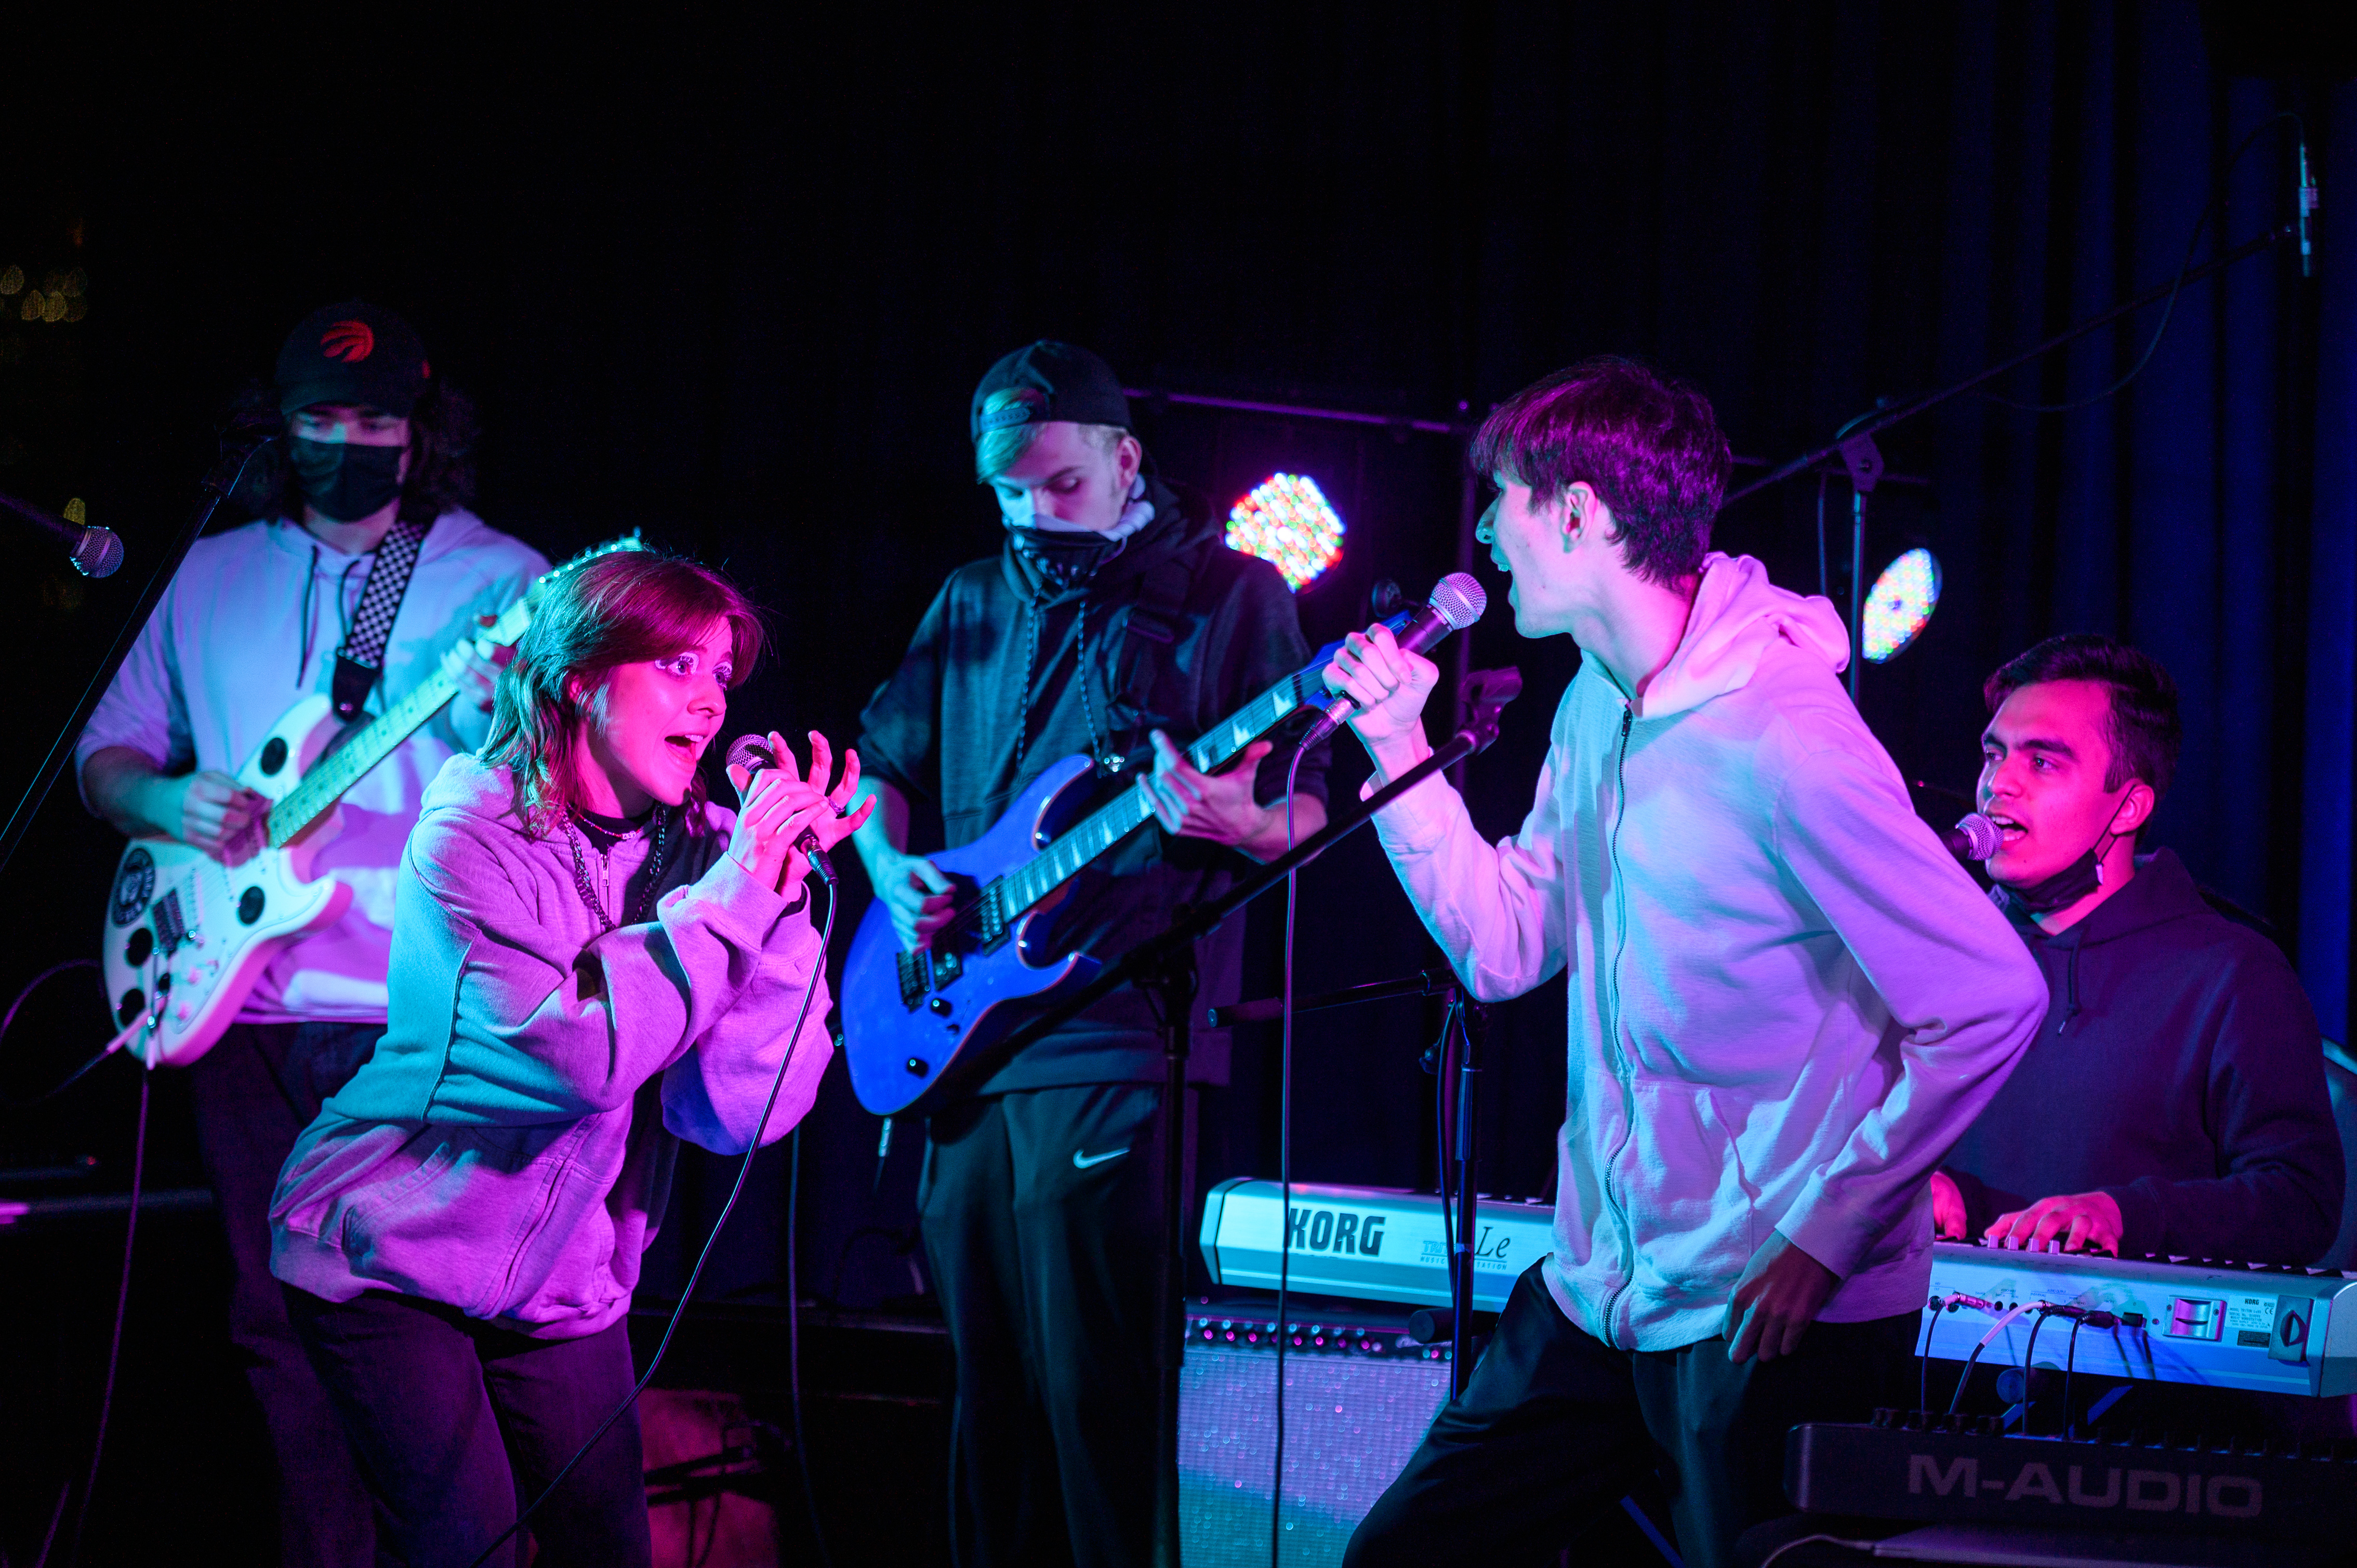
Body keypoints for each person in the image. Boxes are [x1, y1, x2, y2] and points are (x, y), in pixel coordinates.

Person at [1318, 357, 2047, 1568]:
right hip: (1604, 1289)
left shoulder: (1785, 730)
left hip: (1767, 1300)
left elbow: (1985, 998)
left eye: (1502, 498)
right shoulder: (1596, 705)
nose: (1489, 534)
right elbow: (1504, 950)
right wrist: (1399, 747)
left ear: (1581, 513)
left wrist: (1829, 1230)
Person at [268, 551, 866, 1565]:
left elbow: (735, 1114)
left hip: (561, 1280)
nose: (711, 702)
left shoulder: (710, 852)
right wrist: (735, 891)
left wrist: (779, 893)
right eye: (678, 666)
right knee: (467, 1547)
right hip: (389, 1252)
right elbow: (572, 1061)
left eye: (722, 675)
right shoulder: (471, 831)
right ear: (583, 679)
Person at [76, 300, 546, 1567]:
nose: (350, 442)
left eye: (379, 421)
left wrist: (505, 723)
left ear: (422, 432)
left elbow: (561, 787)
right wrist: (176, 799)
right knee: (274, 1327)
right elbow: (104, 762)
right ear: (276, 428)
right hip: (243, 1010)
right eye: (323, 420)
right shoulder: (210, 570)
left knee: (417, 1332)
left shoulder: (499, 582)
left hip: (414, 1011)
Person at [849, 340, 1330, 1566]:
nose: (1033, 516)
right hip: (962, 1039)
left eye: (1060, 487)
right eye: (1009, 493)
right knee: (987, 1401)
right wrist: (897, 876)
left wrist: (1237, 819)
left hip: (1121, 1027)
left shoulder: (1230, 596)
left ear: (1125, 461)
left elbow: (1308, 809)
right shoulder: (969, 597)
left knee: (1097, 1399)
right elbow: (883, 774)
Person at [1931, 635, 2342, 1265]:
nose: (1999, 785)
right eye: (1995, 755)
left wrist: (2128, 1215)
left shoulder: (2230, 974)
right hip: (1925, 1354)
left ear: (2128, 807)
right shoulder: (1935, 953)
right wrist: (1896, 1187)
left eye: (2043, 762)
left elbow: (2301, 1202)